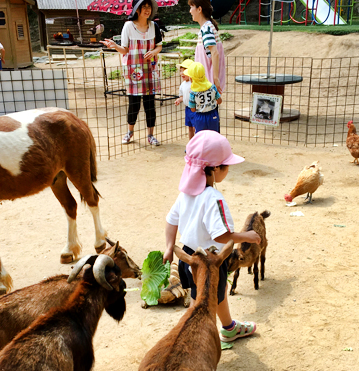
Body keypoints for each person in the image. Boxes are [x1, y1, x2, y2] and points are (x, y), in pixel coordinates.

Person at [163, 130, 260, 343]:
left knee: (215, 293)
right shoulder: (214, 198)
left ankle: (228, 327)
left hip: (187, 257)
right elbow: (223, 236)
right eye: (226, 167)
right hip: (210, 260)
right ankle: (194, 339)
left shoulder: (185, 193)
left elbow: (171, 220)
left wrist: (170, 247)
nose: (227, 171)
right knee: (201, 303)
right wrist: (247, 236)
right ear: (215, 169)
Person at [100, 0, 162, 146]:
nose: (147, 10)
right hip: (133, 71)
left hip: (150, 70)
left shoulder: (154, 26)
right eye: (144, 7)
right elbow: (125, 50)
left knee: (150, 104)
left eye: (149, 7)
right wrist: (115, 46)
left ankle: (150, 135)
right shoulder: (128, 26)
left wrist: (153, 51)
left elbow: (159, 46)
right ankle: (130, 132)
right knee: (134, 103)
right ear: (137, 10)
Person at [189, 0, 226, 94]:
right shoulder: (207, 27)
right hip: (207, 83)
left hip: (207, 84)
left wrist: (215, 78)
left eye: (191, 7)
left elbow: (215, 53)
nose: (190, 11)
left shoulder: (206, 29)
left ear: (199, 9)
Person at [185, 62, 222, 134]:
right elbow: (219, 101)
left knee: (200, 136)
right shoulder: (212, 87)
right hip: (213, 114)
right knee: (214, 135)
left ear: (192, 78)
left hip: (200, 117)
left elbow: (192, 109)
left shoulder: (193, 93)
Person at [174, 59, 195, 140]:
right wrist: (179, 100)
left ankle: (197, 145)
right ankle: (191, 145)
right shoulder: (183, 84)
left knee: (195, 127)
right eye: (181, 71)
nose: (182, 73)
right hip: (188, 109)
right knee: (190, 127)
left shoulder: (194, 83)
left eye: (185, 71)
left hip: (195, 109)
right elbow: (182, 96)